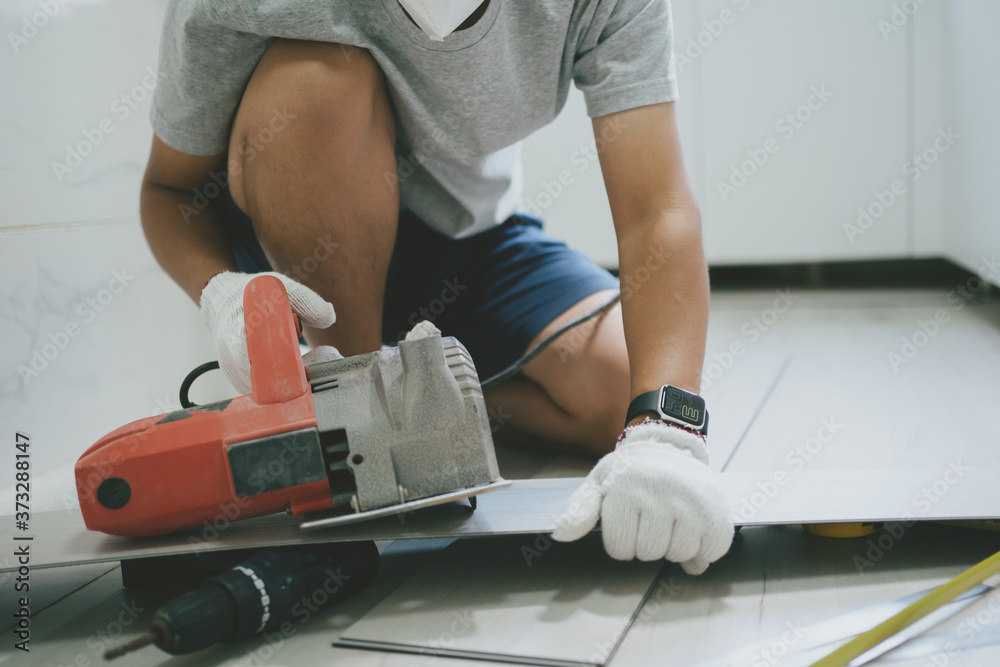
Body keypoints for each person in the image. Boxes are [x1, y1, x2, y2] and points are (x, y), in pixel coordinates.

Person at [141, 0, 733, 574]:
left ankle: (415, 390)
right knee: (316, 84)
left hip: (473, 241)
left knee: (620, 392)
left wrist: (666, 431)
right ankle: (352, 395)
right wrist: (219, 289)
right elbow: (169, 192)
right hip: (308, 253)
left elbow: (656, 209)